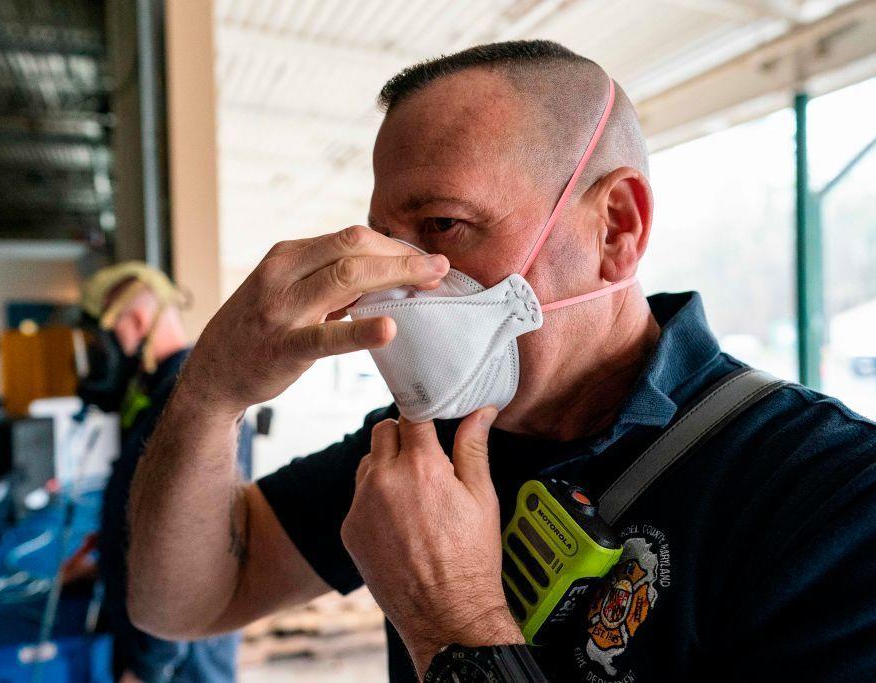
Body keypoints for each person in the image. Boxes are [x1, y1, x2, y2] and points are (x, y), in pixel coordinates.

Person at [126, 41, 876, 682]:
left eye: (445, 225)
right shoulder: (427, 439)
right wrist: (209, 394)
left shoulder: (830, 497)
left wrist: (450, 620)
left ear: (616, 228)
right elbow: (185, 603)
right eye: (392, 243)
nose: (404, 282)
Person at [80, 262, 252, 683]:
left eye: (109, 336)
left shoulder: (189, 400)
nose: (107, 353)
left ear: (137, 321)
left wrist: (148, 664)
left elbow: (188, 537)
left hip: (181, 656)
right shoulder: (169, 389)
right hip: (168, 641)